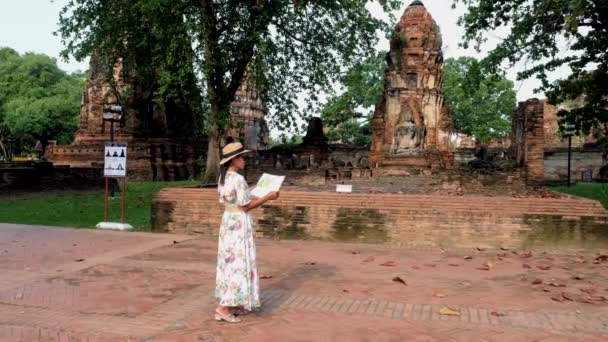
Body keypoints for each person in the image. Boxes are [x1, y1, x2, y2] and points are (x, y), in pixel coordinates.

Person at [214, 141, 279, 323]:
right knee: (238, 262)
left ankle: (233, 303)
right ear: (233, 159)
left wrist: (254, 194)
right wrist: (267, 196)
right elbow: (245, 207)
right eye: (242, 157)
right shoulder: (238, 179)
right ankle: (223, 307)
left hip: (228, 222)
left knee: (229, 262)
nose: (244, 160)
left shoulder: (223, 177)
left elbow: (234, 201)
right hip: (238, 224)